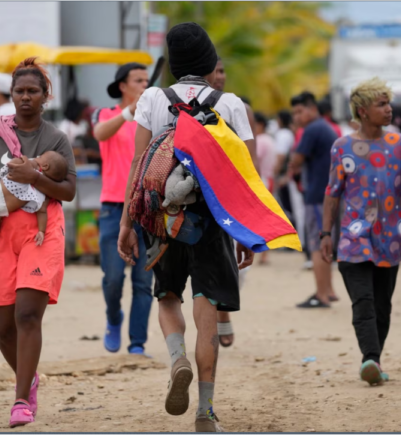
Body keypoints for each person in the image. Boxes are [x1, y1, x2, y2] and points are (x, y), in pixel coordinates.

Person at [118, 23, 255, 432]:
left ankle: (177, 358)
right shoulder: (229, 103)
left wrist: (127, 222)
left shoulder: (152, 99)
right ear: (211, 62)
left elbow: (139, 165)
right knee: (207, 307)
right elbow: (248, 175)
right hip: (212, 220)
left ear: (174, 65)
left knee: (167, 296)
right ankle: (205, 410)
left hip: (162, 217)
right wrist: (248, 232)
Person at [0, 57, 77, 427]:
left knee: (27, 313)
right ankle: (28, 381)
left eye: (33, 91)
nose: (26, 97)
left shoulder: (57, 138)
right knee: (3, 327)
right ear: (11, 95)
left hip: (41, 229)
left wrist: (34, 176)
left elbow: (69, 190)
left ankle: (20, 402)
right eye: (19, 91)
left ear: (46, 96)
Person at [320, 77, 401, 385]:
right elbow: (332, 192)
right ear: (362, 110)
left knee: (383, 306)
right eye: (381, 104)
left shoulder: (400, 144)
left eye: (388, 103)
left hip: (391, 238)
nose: (388, 109)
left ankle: (374, 360)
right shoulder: (342, 147)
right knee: (364, 302)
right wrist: (325, 233)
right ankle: (369, 358)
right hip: (354, 240)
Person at [91, 62, 154, 355]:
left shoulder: (153, 119)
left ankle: (137, 343)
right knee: (113, 277)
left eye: (146, 80)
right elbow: (100, 133)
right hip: (113, 208)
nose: (144, 84)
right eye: (138, 80)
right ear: (122, 86)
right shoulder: (106, 114)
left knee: (144, 281)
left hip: (147, 208)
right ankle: (113, 318)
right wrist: (130, 112)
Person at [210, 55, 256, 348]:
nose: (221, 75)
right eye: (215, 70)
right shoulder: (184, 105)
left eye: (223, 70)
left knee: (238, 265)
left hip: (234, 195)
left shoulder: (240, 108)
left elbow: (249, 158)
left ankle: (224, 312)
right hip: (201, 193)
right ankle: (214, 317)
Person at [0, 150, 68, 274]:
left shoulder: (41, 192)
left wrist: (42, 231)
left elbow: (42, 211)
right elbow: (11, 165)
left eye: (40, 157)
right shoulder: (24, 168)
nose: (36, 157)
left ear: (45, 166)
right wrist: (24, 161)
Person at [288, 91, 339, 308]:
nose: (297, 117)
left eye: (300, 111)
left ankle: (321, 295)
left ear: (312, 109)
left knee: (317, 246)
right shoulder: (324, 127)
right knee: (325, 245)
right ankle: (328, 290)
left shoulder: (312, 129)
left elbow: (296, 160)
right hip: (327, 195)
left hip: (317, 196)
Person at [254, 112, 277, 265]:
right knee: (265, 216)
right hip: (268, 179)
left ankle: (263, 253)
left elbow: (252, 159)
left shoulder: (260, 141)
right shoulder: (269, 139)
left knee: (260, 217)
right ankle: (264, 253)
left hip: (261, 180)